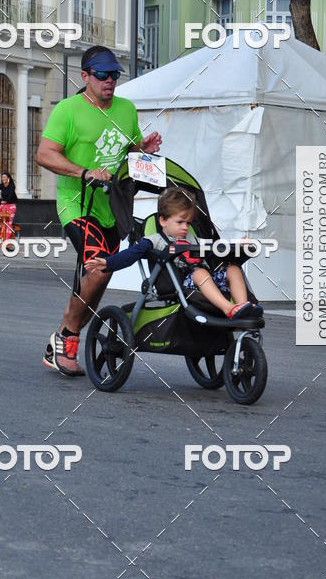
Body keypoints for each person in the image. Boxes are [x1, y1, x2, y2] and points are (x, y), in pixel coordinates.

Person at [37, 44, 162, 376]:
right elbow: (45, 154)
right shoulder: (68, 110)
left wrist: (143, 149)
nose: (110, 81)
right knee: (99, 268)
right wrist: (84, 173)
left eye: (114, 75)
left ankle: (59, 338)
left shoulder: (126, 109)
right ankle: (68, 336)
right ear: (85, 76)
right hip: (77, 204)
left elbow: (127, 150)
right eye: (102, 75)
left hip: (112, 207)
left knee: (97, 280)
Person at [85, 186, 263, 319]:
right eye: (180, 222)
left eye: (188, 223)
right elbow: (132, 254)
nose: (185, 227)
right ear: (163, 220)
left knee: (233, 269)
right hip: (180, 284)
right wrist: (108, 263)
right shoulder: (155, 240)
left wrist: (238, 247)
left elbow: (215, 249)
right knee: (200, 273)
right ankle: (228, 308)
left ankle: (243, 307)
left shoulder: (193, 239)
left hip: (207, 281)